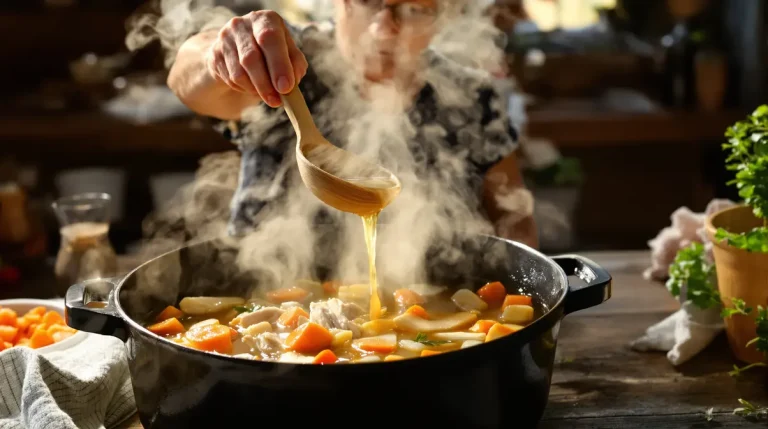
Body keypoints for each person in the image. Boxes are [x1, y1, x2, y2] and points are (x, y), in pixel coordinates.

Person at [166, 0, 538, 251]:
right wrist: (218, 53)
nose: (384, 30)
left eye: (412, 8)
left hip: (434, 310)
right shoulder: (284, 60)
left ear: (441, 15)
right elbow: (187, 81)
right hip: (257, 297)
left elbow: (513, 213)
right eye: (369, 1)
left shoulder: (471, 95)